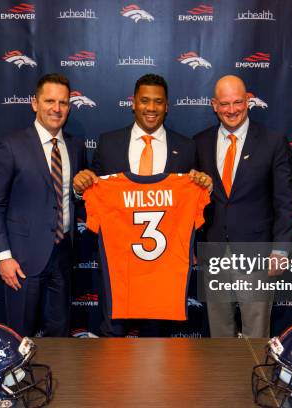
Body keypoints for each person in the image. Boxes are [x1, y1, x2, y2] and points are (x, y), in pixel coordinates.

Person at [73, 73, 212, 336]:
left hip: (161, 269)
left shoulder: (186, 147)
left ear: (167, 106)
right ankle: (112, 380)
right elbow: (94, 191)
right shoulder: (108, 143)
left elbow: (194, 203)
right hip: (119, 265)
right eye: (145, 101)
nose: (151, 108)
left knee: (156, 342)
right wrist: (81, 185)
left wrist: (205, 184)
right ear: (133, 103)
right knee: (112, 336)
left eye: (158, 102)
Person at [194, 75, 292, 338]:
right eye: (225, 103)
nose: (232, 110)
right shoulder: (199, 142)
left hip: (257, 253)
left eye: (238, 102)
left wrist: (281, 251)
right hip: (213, 251)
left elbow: (285, 202)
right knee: (219, 330)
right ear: (214, 105)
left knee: (256, 330)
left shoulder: (273, 141)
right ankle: (224, 379)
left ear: (248, 100)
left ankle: (255, 378)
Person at [0, 73, 86, 337]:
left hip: (63, 255)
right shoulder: (10, 145)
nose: (56, 108)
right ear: (34, 103)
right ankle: (18, 379)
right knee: (19, 336)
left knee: (60, 334)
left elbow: (72, 196)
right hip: (22, 260)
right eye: (49, 101)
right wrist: (4, 257)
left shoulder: (75, 147)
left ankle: (57, 377)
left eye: (63, 103)